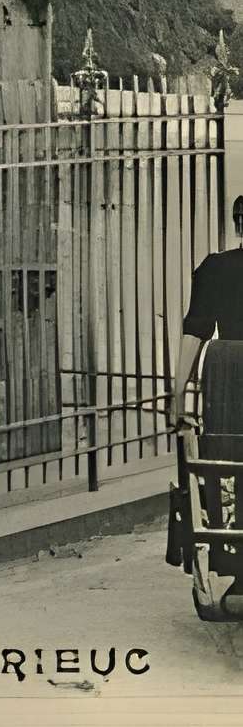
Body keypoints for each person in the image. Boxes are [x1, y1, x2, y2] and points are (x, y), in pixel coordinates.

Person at [169, 194, 243, 588]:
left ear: (237, 225)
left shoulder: (215, 269)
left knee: (233, 469)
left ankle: (236, 564)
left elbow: (194, 332)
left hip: (230, 386)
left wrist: (177, 395)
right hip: (232, 381)